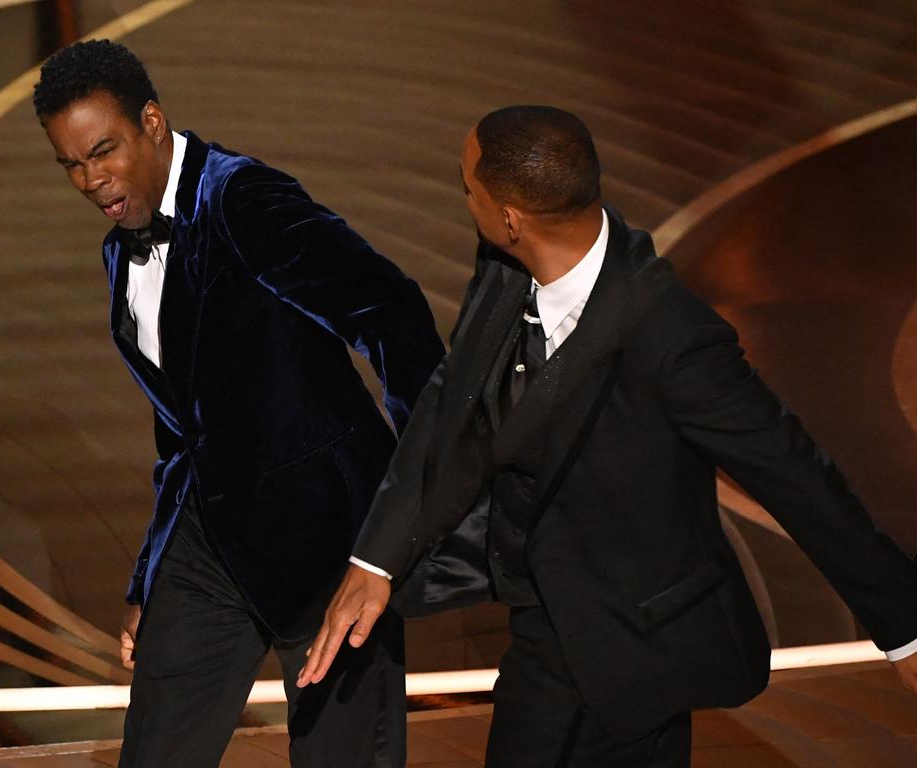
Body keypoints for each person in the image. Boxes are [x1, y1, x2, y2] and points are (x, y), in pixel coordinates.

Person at [298, 105, 917, 767]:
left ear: (510, 218)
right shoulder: (507, 266)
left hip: (633, 633)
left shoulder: (672, 338)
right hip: (548, 617)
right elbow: (456, 400)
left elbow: (793, 472)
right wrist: (378, 558)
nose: (465, 201)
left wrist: (905, 631)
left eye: (468, 189)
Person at [32, 39, 444, 768]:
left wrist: (400, 516)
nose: (91, 179)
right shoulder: (119, 248)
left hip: (327, 545)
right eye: (71, 163)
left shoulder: (243, 201)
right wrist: (150, 576)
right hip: (210, 540)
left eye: (104, 151)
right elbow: (179, 428)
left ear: (152, 122)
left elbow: (395, 317)